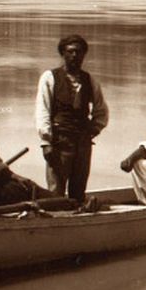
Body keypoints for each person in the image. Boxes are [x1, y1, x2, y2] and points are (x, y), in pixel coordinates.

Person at [35, 34, 109, 201]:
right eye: (71, 52)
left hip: (82, 144)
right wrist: (46, 142)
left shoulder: (89, 80)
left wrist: (93, 129)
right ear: (63, 54)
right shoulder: (50, 78)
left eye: (79, 52)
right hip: (60, 143)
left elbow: (101, 111)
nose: (75, 56)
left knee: (78, 190)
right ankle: (56, 224)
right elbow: (42, 110)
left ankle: (77, 222)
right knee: (55, 192)